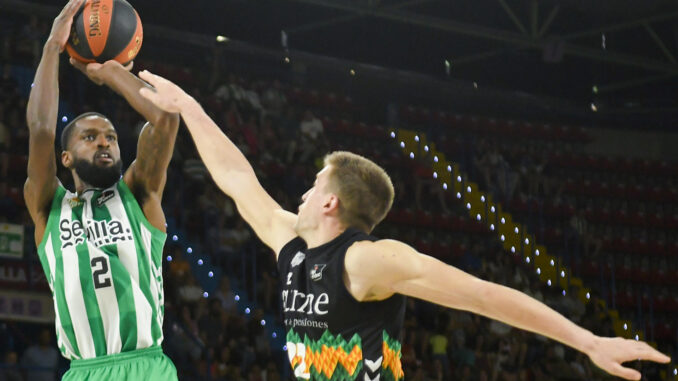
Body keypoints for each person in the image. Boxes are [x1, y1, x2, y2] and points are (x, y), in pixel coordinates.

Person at [138, 71, 671, 381]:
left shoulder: (367, 260)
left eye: (312, 185)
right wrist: (186, 106)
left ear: (331, 204)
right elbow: (236, 177)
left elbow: (483, 296)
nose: (299, 192)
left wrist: (586, 340)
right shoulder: (290, 243)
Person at [24, 1, 179, 379]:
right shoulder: (49, 207)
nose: (104, 143)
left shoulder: (139, 195)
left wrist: (108, 71)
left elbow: (165, 118)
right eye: (90, 138)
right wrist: (51, 47)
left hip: (146, 368)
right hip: (83, 371)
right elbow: (42, 129)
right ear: (66, 158)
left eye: (110, 136)